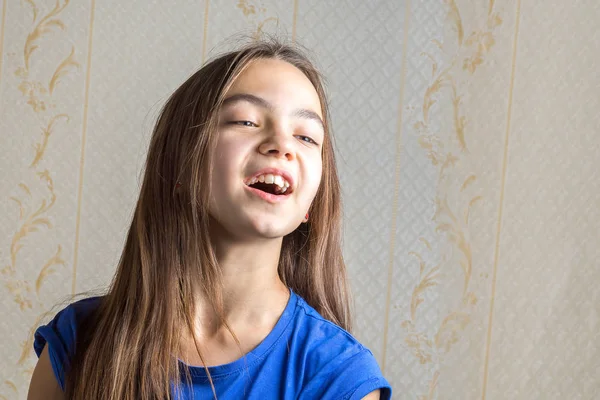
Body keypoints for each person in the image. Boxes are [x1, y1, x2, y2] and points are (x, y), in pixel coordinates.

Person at [27, 38, 392, 400]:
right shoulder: (77, 341)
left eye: (306, 137)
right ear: (182, 163)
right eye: (246, 120)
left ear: (312, 199)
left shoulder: (339, 376)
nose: (282, 145)